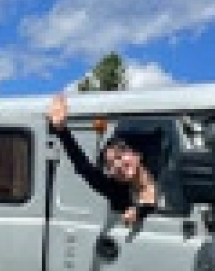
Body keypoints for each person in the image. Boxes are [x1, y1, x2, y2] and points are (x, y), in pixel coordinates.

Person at [48, 93, 157, 225]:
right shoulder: (116, 191)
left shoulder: (168, 177)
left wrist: (141, 211)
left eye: (119, 156)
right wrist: (62, 131)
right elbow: (84, 168)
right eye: (110, 165)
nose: (117, 166)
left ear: (137, 154)